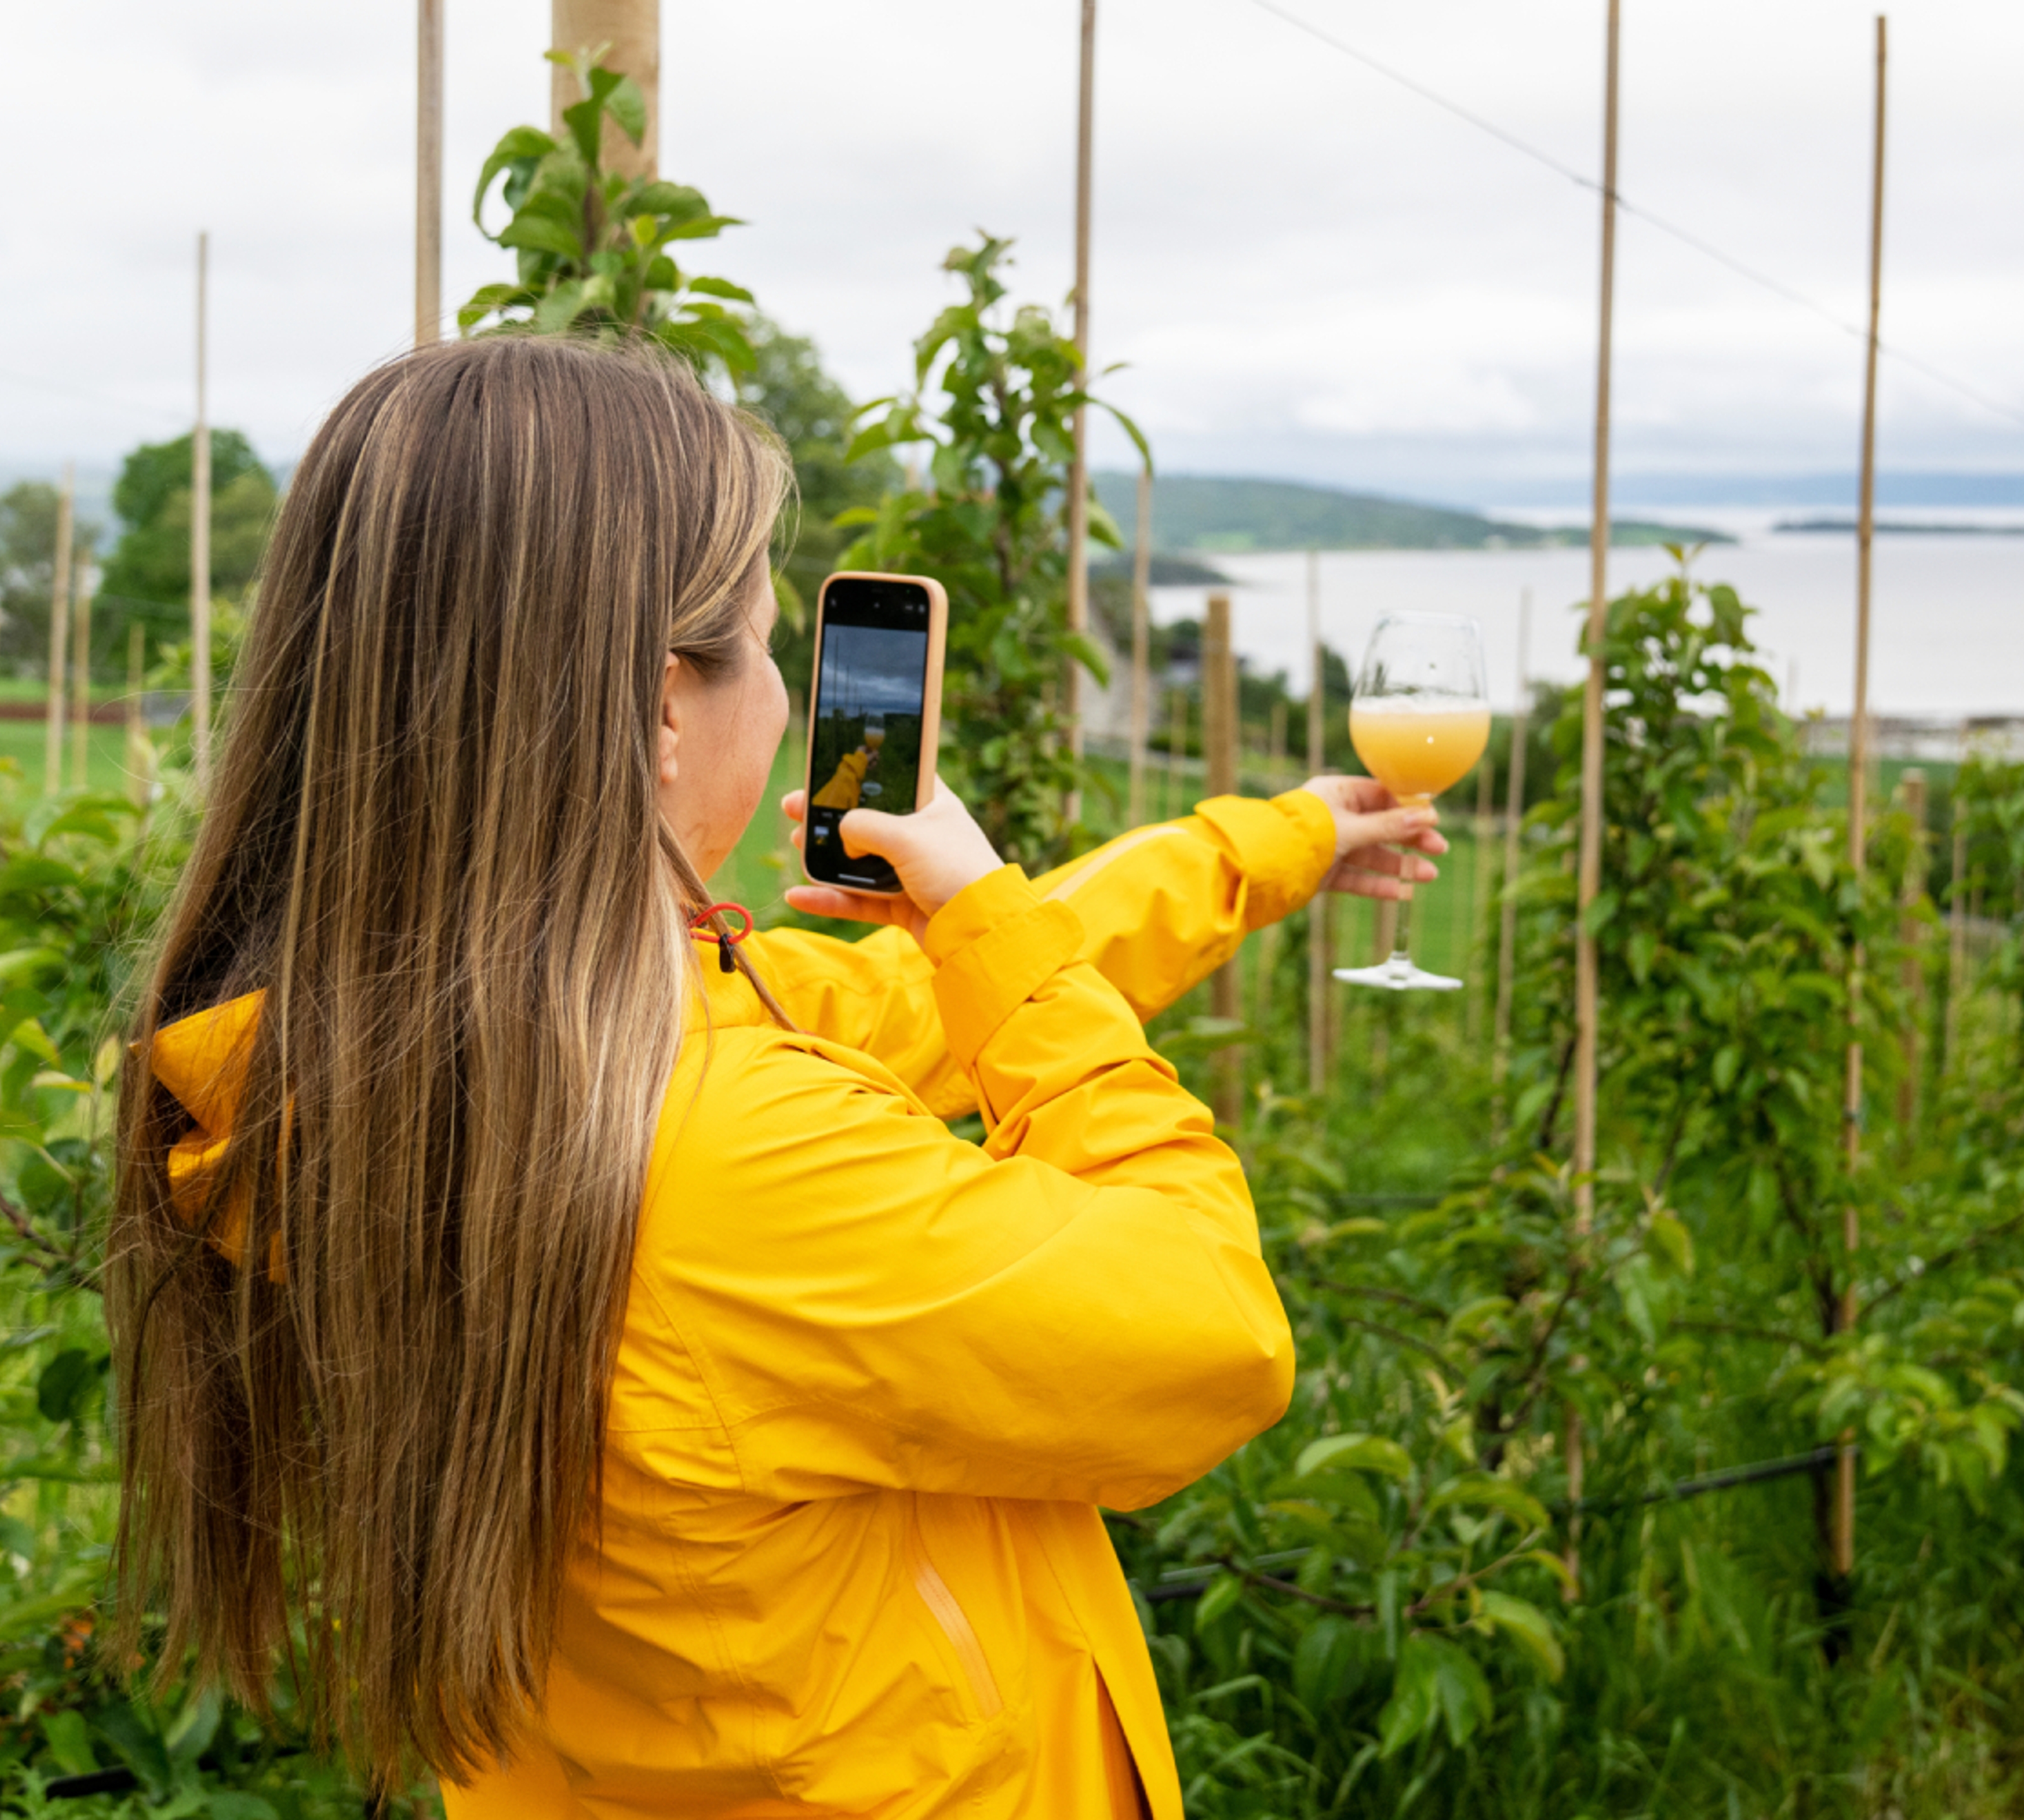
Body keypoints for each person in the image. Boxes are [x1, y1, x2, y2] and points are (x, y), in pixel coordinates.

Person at [109, 335, 1443, 1819]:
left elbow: (901, 1001)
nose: (790, 690)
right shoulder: (727, 1162)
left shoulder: (391, 1064)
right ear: (665, 703)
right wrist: (994, 927)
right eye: (761, 637)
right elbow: (1211, 1332)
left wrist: (1262, 848)